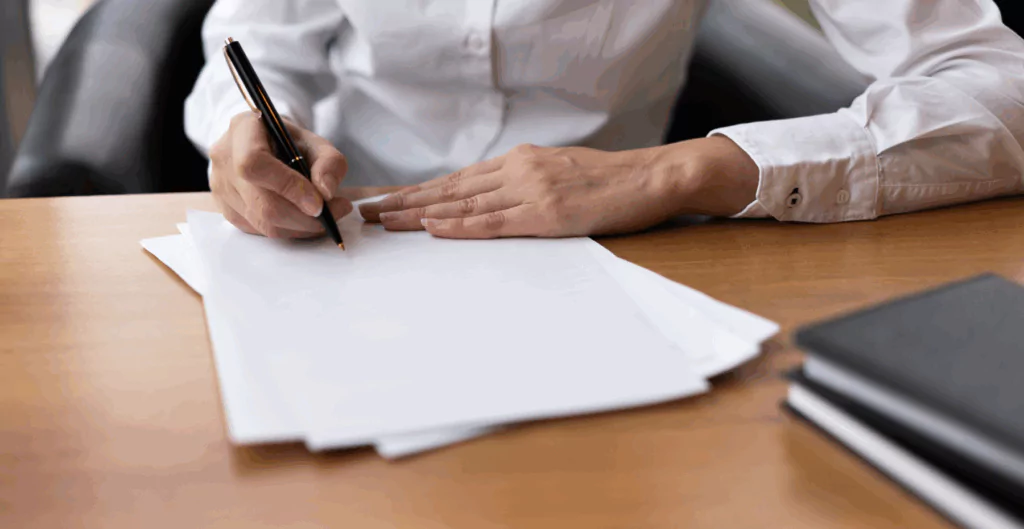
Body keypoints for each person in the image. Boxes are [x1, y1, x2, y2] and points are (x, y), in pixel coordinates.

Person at [185, 0, 1024, 240]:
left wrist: (682, 171)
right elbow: (255, 37)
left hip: (603, 248)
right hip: (348, 231)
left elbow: (1000, 85)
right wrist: (245, 127)